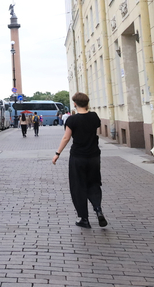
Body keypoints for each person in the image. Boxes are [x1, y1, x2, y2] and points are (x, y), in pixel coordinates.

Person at [52, 92, 108, 229]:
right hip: (94, 156)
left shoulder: (72, 120)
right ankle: (98, 209)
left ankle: (84, 218)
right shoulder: (94, 117)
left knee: (78, 187)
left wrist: (57, 153)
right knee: (94, 183)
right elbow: (94, 128)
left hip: (78, 157)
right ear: (87, 103)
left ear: (75, 104)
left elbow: (66, 138)